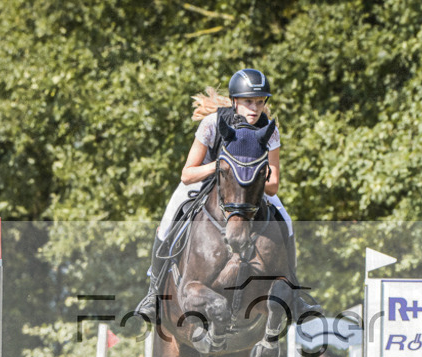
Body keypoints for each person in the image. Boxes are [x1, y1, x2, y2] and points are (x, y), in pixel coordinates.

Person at [135, 68, 320, 323]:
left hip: (250, 189)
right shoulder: (211, 124)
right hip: (206, 182)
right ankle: (153, 292)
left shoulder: (270, 130)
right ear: (235, 102)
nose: (255, 108)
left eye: (259, 102)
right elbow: (187, 174)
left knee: (286, 221)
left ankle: (294, 293)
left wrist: (251, 175)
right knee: (168, 221)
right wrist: (223, 166)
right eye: (248, 102)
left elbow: (273, 184)